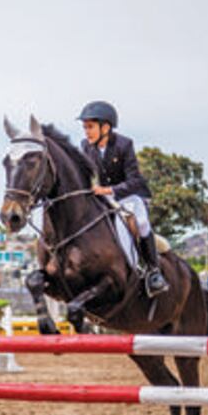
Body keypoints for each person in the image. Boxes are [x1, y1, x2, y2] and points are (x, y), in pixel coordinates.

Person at [78, 100, 169, 296]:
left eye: (90, 127)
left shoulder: (124, 144)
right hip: (106, 196)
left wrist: (108, 190)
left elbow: (135, 180)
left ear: (106, 127)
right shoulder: (86, 146)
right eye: (85, 127)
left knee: (142, 223)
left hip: (130, 195)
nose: (87, 131)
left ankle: (154, 272)